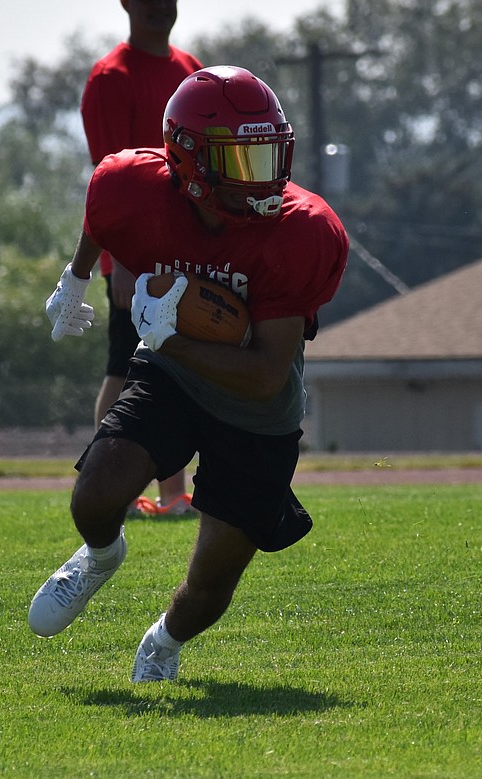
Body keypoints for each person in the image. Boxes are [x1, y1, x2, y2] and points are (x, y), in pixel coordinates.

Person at [29, 66, 349, 683]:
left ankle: (163, 643)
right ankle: (100, 555)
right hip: (173, 377)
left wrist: (166, 335)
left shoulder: (300, 230)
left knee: (209, 586)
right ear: (189, 163)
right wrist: (74, 278)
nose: (264, 179)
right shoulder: (135, 186)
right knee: (96, 492)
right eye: (242, 160)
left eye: (268, 155)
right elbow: (103, 215)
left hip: (256, 407)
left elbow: (263, 375)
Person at [81, 0, 202, 516]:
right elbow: (111, 179)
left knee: (170, 367)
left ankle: (174, 495)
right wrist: (123, 262)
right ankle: (114, 487)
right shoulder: (111, 77)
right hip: (134, 252)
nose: (159, 6)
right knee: (124, 366)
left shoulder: (190, 70)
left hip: (183, 250)